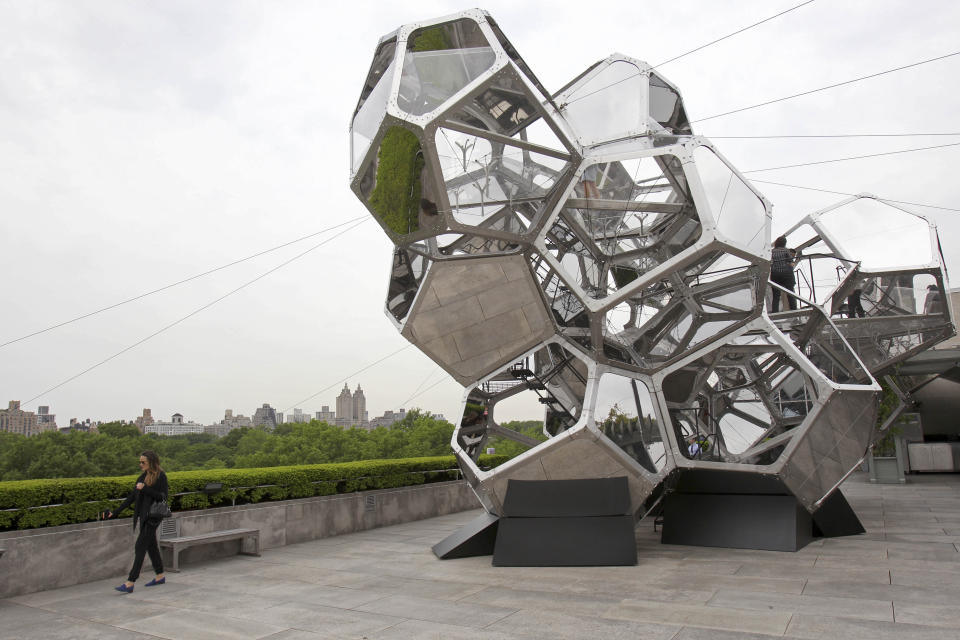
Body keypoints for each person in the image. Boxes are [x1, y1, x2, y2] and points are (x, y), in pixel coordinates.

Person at [104, 451, 168, 593]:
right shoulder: (142, 477)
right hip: (144, 517)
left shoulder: (160, 476)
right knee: (151, 546)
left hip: (153, 517)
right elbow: (132, 497)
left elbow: (162, 497)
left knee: (140, 546)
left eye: (143, 462)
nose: (140, 464)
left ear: (151, 462)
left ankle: (130, 582)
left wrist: (145, 489)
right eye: (140, 462)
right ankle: (160, 575)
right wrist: (115, 513)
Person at [770, 236, 797, 312]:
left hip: (775, 274)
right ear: (784, 243)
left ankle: (775, 312)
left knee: (776, 296)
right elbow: (791, 263)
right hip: (787, 274)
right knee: (790, 294)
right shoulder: (786, 251)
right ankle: (794, 310)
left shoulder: (772, 251)